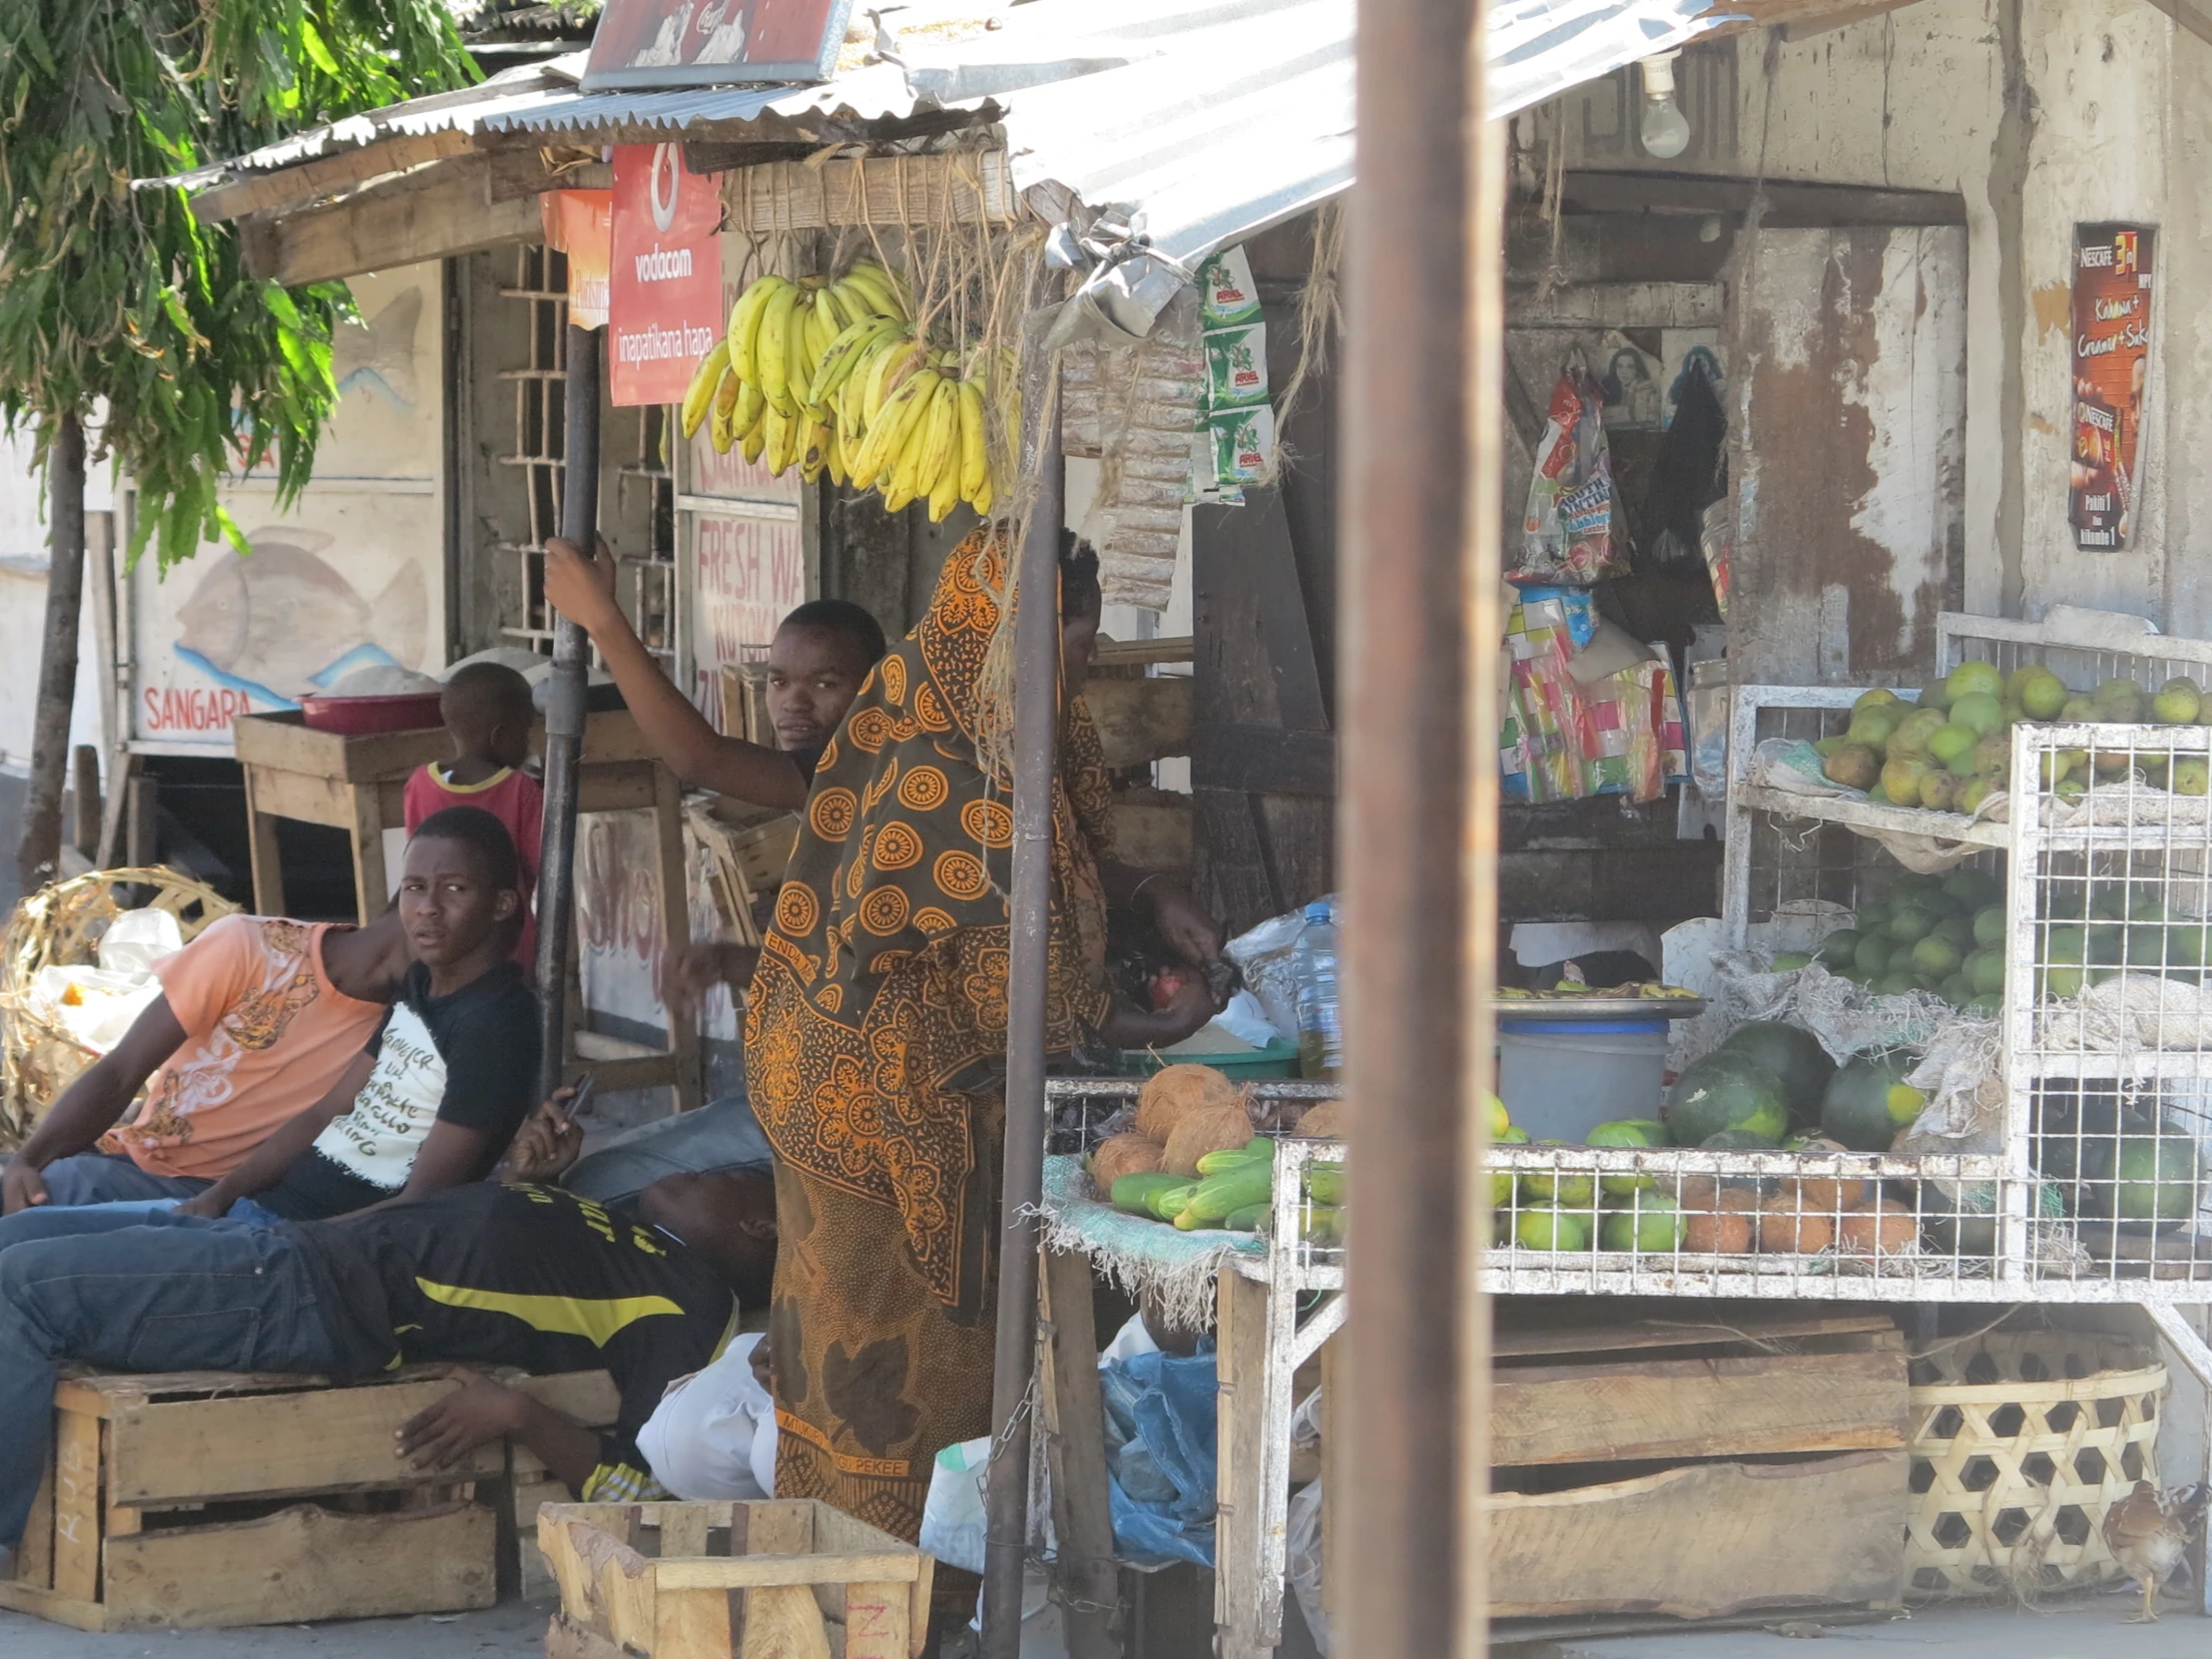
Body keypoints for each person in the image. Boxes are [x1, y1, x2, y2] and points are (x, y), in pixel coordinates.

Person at [743, 527, 1225, 1627]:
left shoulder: (994, 717)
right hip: (873, 1107)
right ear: (992, 633)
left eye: (1082, 646)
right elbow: (1007, 985)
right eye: (1050, 640)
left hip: (891, 1083)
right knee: (894, 1380)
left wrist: (1147, 900)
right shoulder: (943, 761)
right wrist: (1129, 1016)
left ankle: (894, 1609)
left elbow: (1067, 866)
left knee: (899, 1367)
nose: (1065, 668)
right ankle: (877, 1616)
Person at [0, 1167, 779, 1576]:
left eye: (723, 1178)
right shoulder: (629, 1226)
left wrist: (520, 1416)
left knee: (20, 1292)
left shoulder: (689, 1303)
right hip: (291, 1255)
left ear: (758, 1224)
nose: (700, 1171)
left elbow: (646, 1491)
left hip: (309, 1301)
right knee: (16, 1247)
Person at [172, 807, 540, 1223]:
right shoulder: (420, 983)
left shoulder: (494, 1021)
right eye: (414, 888)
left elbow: (421, 1203)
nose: (427, 908)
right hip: (269, 1211)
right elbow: (326, 1111)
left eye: (454, 889)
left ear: (502, 904)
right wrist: (218, 1198)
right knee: (91, 1231)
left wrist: (284, 1243)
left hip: (316, 1249)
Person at [1, 906, 409, 1215]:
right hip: (130, 1159)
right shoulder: (251, 946)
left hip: (209, 1198)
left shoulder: (410, 1028)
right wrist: (28, 1159)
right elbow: (122, 1069)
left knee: (55, 1195)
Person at [542, 533, 887, 810]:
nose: (794, 703)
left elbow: (702, 760)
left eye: (825, 685)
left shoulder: (868, 768)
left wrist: (601, 620)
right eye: (778, 681)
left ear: (878, 690)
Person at [405, 662, 543, 967]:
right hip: (507, 944)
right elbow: (543, 865)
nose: (528, 743)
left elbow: (414, 860)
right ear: (501, 735)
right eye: (525, 733)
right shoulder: (521, 789)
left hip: (436, 936)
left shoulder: (420, 783)